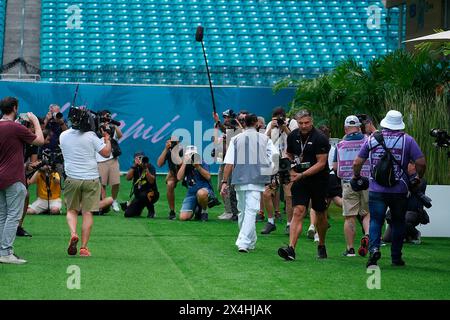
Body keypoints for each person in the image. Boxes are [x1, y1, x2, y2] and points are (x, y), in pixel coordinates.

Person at [353, 110, 426, 267]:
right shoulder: (408, 140)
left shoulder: (372, 139)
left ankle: (374, 250)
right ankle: (396, 257)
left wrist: (357, 177)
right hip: (399, 190)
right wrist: (418, 177)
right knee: (398, 222)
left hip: (376, 189)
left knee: (376, 221)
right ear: (400, 124)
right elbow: (421, 163)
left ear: (385, 122)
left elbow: (357, 162)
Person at [221, 113, 278, 253]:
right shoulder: (265, 139)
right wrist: (271, 174)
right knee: (250, 211)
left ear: (244, 123)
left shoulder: (235, 139)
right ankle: (247, 241)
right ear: (257, 124)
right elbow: (275, 157)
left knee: (244, 211)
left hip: (239, 179)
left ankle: (245, 242)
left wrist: (224, 182)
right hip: (257, 179)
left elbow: (228, 163)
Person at [278, 110, 330, 261]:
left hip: (319, 180)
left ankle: (321, 244)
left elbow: (321, 163)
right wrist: (287, 167)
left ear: (311, 121)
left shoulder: (320, 138)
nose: (304, 126)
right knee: (298, 211)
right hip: (300, 180)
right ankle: (291, 249)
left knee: (320, 214)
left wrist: (303, 174)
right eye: (300, 123)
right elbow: (289, 154)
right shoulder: (293, 135)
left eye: (306, 123)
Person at [59, 108, 111, 257]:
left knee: (71, 210)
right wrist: (107, 139)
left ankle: (73, 233)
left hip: (72, 178)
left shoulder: (63, 136)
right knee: (87, 213)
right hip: (91, 178)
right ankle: (83, 248)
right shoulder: (91, 136)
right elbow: (106, 153)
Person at [0, 97, 44, 264]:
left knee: (3, 215)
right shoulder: (15, 127)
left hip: (1, 177)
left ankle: (2, 250)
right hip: (13, 177)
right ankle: (5, 252)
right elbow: (39, 140)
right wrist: (35, 121)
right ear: (14, 108)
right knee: (13, 215)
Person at [333, 116, 370, 257]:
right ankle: (367, 235)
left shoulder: (340, 144)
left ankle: (350, 249)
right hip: (366, 181)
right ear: (359, 127)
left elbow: (336, 167)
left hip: (349, 182)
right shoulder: (368, 141)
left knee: (350, 217)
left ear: (345, 128)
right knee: (367, 213)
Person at [261, 107, 298, 235]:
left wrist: (284, 127)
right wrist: (271, 127)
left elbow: (295, 139)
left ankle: (289, 224)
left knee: (288, 195)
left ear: (284, 117)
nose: (277, 120)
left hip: (288, 162)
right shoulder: (271, 125)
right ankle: (271, 221)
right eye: (275, 118)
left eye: (279, 118)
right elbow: (264, 141)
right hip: (274, 162)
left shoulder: (292, 122)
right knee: (266, 193)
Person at [307, 124, 343, 242]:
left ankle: (314, 227)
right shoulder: (334, 148)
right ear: (330, 136)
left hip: (320, 177)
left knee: (318, 206)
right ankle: (356, 209)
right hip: (332, 177)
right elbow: (336, 165)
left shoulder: (314, 147)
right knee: (336, 201)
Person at [382, 161, 429, 245]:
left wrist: (403, 185)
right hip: (400, 210)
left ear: (414, 166)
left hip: (414, 212)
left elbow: (417, 186)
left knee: (403, 219)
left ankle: (415, 234)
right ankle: (406, 236)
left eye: (407, 164)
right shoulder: (403, 179)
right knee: (387, 238)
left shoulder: (421, 180)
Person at [213, 110, 239, 221]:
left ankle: (231, 211)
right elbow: (216, 143)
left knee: (229, 188)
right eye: (224, 117)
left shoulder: (236, 131)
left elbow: (227, 132)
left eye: (227, 117)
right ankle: (228, 210)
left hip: (231, 164)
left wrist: (218, 123)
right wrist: (217, 125)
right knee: (221, 187)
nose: (226, 119)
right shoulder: (227, 130)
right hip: (223, 162)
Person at [177, 146, 214, 222]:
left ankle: (204, 211)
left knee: (201, 193)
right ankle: (197, 208)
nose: (191, 157)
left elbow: (208, 177)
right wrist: (184, 163)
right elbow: (179, 178)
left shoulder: (202, 162)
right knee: (183, 217)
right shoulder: (185, 165)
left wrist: (198, 167)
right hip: (191, 193)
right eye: (189, 155)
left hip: (204, 191)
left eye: (192, 155)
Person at [96, 110, 123, 212]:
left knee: (116, 182)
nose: (106, 118)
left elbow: (120, 135)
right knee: (102, 184)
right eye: (104, 117)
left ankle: (114, 200)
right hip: (100, 159)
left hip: (113, 158)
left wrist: (113, 124)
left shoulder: (112, 127)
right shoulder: (96, 127)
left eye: (108, 116)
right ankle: (104, 203)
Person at [123, 152, 160, 218]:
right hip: (138, 196)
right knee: (128, 214)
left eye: (141, 158)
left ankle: (151, 211)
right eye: (137, 158)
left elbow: (151, 181)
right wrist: (134, 166)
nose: (140, 160)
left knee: (144, 195)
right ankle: (139, 209)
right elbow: (128, 178)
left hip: (152, 194)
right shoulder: (135, 168)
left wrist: (146, 169)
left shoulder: (150, 167)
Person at [157, 136, 183, 220]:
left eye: (175, 142)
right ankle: (172, 211)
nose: (173, 144)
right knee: (170, 184)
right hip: (174, 173)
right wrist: (166, 149)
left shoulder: (182, 150)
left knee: (192, 185)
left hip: (186, 173)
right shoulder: (168, 151)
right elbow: (159, 164)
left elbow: (181, 165)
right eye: (172, 142)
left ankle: (198, 208)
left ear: (179, 142)